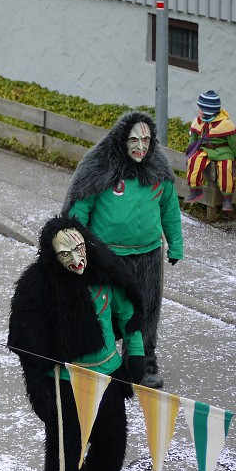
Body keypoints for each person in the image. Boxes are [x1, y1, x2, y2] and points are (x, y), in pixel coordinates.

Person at [8, 217, 146, 471]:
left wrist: (137, 354)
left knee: (112, 444)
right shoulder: (38, 288)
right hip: (67, 383)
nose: (76, 259)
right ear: (53, 258)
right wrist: (40, 392)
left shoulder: (105, 274)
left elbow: (128, 314)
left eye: (80, 248)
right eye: (66, 254)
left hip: (109, 376)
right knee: (66, 454)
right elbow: (27, 347)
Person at [63, 111, 182, 389]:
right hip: (107, 255)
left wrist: (176, 244)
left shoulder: (158, 171)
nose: (141, 146)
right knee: (104, 309)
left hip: (148, 255)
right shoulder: (101, 166)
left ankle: (143, 364)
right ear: (121, 140)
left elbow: (170, 209)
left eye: (146, 140)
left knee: (146, 310)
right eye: (134, 140)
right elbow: (80, 206)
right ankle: (99, 359)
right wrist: (75, 245)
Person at [184, 90, 236, 211]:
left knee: (225, 167)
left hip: (223, 151)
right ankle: (195, 189)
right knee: (195, 160)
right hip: (205, 149)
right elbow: (194, 139)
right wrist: (190, 153)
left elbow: (235, 143)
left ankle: (227, 198)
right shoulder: (198, 121)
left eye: (201, 109)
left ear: (208, 111)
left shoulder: (226, 124)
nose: (198, 110)